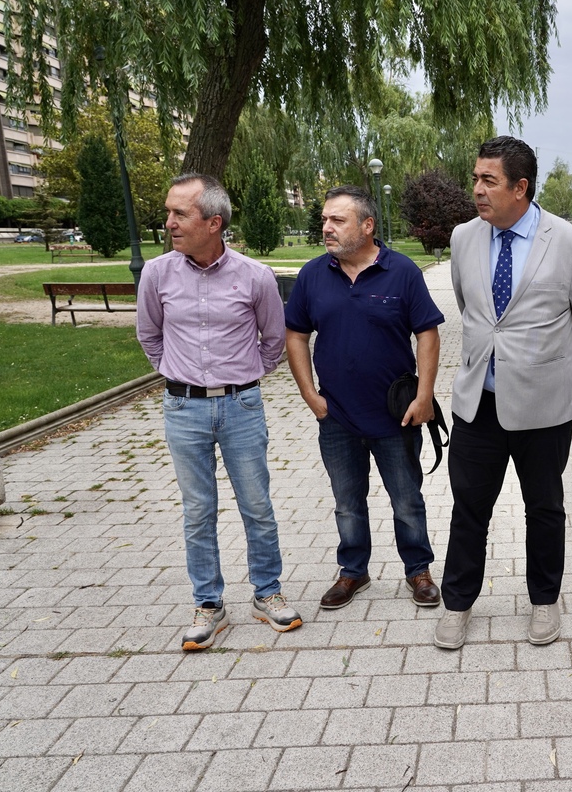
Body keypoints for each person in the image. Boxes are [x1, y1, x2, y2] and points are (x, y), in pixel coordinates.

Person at [434, 135, 572, 650]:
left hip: (545, 404)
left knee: (544, 505)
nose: (478, 190)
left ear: (521, 187)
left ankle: (544, 601)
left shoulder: (571, 242)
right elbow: (472, 309)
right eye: (475, 179)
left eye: (489, 181)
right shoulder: (465, 237)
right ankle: (457, 604)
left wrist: (542, 360)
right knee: (469, 507)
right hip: (478, 400)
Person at [137, 173, 301, 651]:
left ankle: (267, 592)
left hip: (241, 406)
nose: (169, 222)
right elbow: (150, 335)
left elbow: (274, 340)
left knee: (257, 505)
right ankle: (208, 604)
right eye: (168, 212)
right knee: (197, 511)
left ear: (213, 222)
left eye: (179, 213)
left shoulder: (255, 276)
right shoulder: (157, 274)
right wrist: (175, 373)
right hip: (182, 407)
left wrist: (245, 377)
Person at [284, 186, 445, 610]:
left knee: (407, 499)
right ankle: (353, 571)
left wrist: (424, 395)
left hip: (395, 415)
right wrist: (309, 396)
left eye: (338, 220)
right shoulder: (313, 275)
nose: (326, 228)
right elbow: (296, 335)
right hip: (335, 416)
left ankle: (419, 570)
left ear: (367, 225)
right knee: (346, 503)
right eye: (324, 220)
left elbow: (427, 333)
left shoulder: (403, 272)